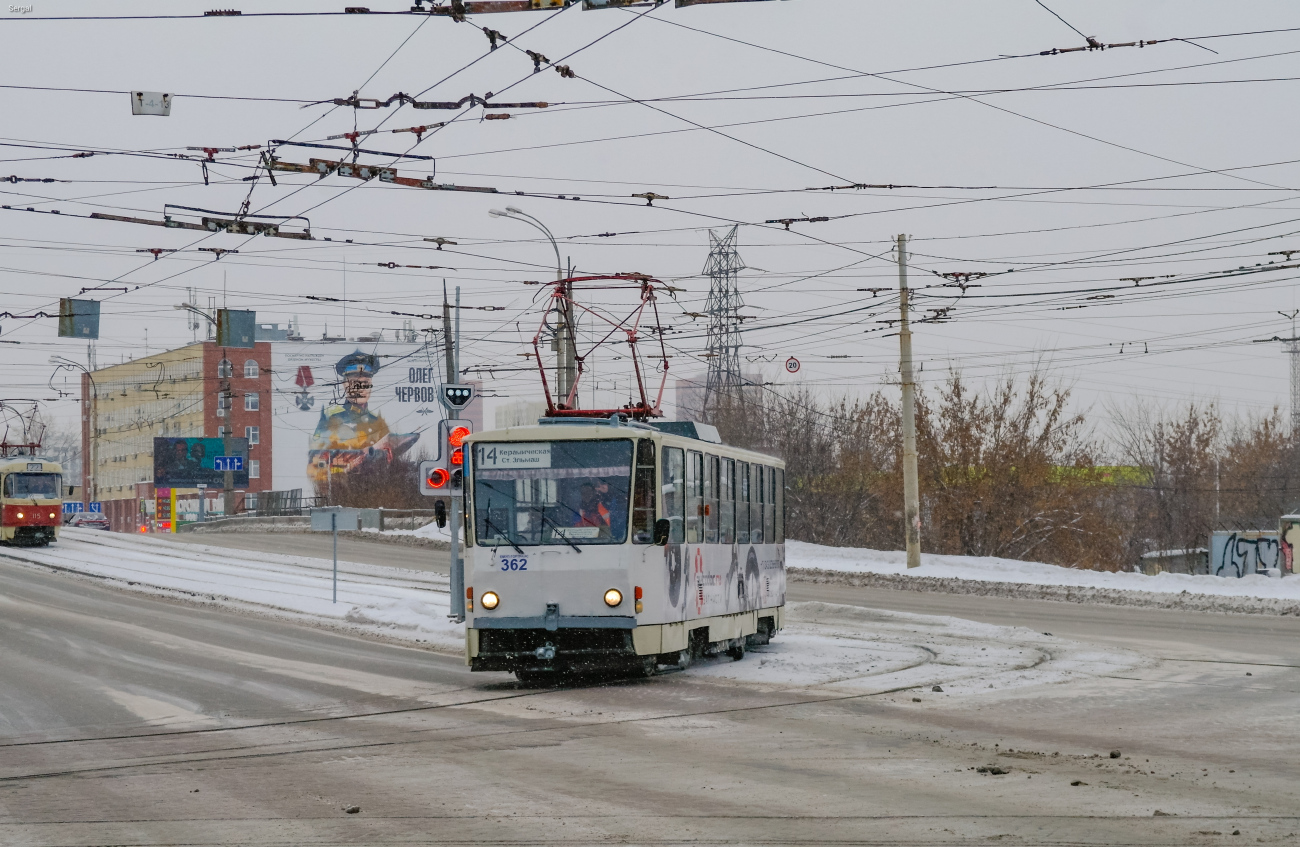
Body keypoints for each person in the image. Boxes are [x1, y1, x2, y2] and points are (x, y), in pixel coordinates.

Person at [308, 351, 391, 484]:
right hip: (341, 486)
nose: (360, 388)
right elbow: (315, 458)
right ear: (345, 385)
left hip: (376, 488)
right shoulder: (331, 417)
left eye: (365, 383)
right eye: (354, 383)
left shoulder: (378, 421)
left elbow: (390, 458)